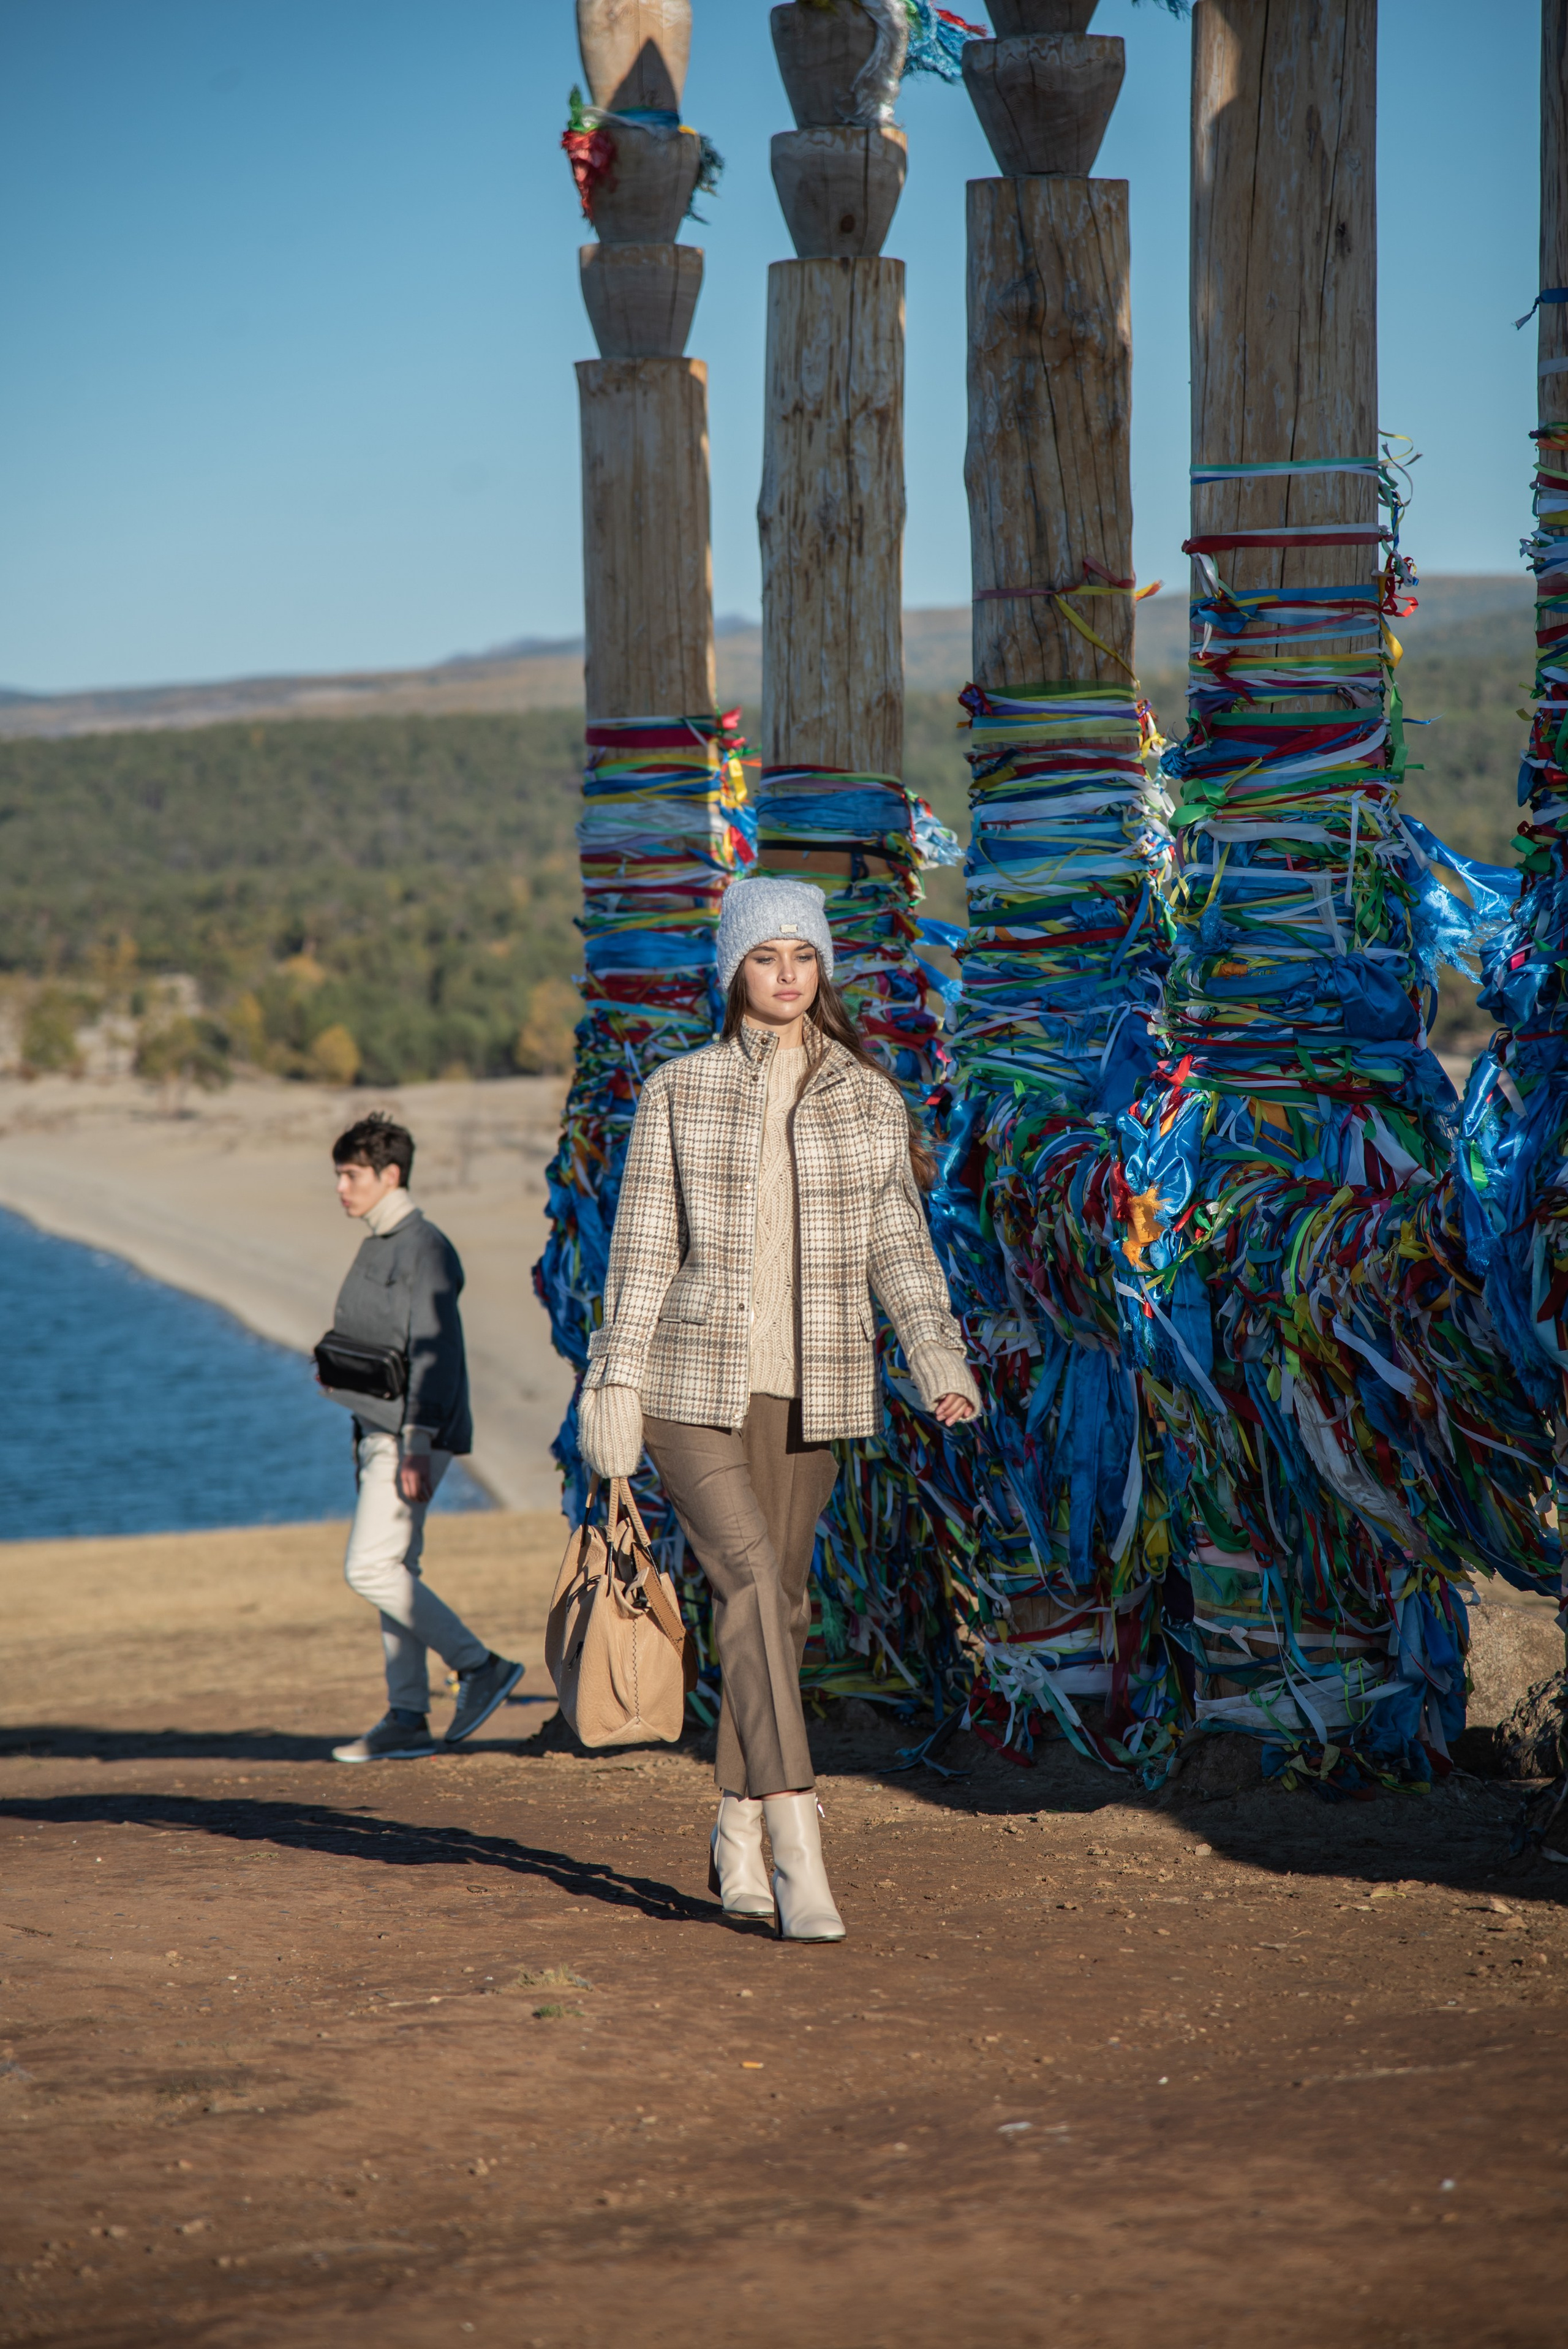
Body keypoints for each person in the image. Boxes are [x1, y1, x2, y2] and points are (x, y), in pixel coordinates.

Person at [576, 878, 979, 1942]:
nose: (788, 974)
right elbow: (642, 1250)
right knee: (753, 1580)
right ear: (734, 971)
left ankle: (736, 1827)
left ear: (823, 969)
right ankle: (802, 1845)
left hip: (815, 1387)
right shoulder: (679, 1090)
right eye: (766, 956)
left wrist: (936, 1353)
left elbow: (900, 1243)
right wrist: (614, 1382)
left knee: (779, 1609)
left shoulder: (869, 1099)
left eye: (804, 955)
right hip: (688, 1385)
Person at [319, 1112, 522, 1762]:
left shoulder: (424, 1247)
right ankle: (407, 1716)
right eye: (339, 1174)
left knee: (369, 1567)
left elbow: (435, 1354)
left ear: (390, 1174)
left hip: (408, 1437)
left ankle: (480, 1665)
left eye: (351, 1175)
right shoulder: (379, 1240)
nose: (341, 1187)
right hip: (377, 1431)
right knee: (396, 1569)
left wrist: (416, 1441)